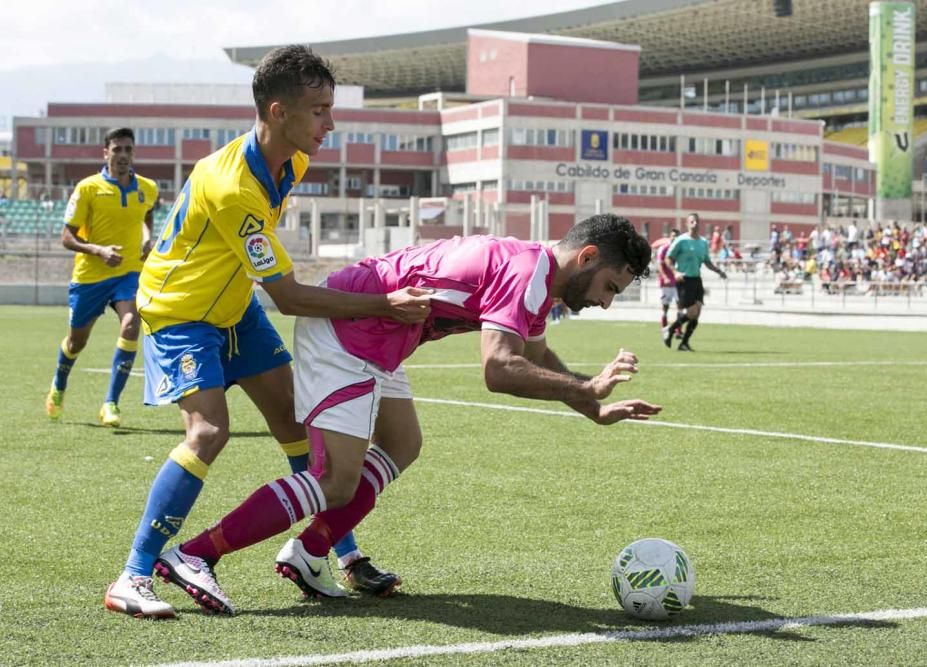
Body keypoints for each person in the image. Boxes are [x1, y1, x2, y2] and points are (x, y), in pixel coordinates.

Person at [151, 214, 661, 615]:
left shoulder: (536, 274)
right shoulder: (529, 272)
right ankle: (196, 553)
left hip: (384, 336)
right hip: (351, 329)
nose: (606, 303)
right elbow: (500, 369)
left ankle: (309, 553)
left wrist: (592, 404)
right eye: (610, 287)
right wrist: (587, 386)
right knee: (334, 481)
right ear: (588, 256)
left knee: (402, 444)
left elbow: (537, 355)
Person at [103, 45, 432, 619]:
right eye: (319, 110)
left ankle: (332, 553)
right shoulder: (233, 186)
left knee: (297, 425)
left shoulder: (294, 160)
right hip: (180, 312)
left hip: (234, 309)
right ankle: (133, 574)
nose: (331, 123)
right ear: (278, 112)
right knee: (208, 432)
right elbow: (287, 295)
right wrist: (385, 303)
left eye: (331, 108)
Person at [44, 128, 157, 427]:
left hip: (129, 272)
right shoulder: (87, 188)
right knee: (76, 342)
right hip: (90, 276)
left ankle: (111, 403)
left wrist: (148, 239)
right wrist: (97, 249)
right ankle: (59, 383)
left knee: (132, 324)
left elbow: (146, 215)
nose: (122, 155)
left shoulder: (147, 188)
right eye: (117, 149)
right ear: (105, 152)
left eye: (128, 150)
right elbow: (66, 237)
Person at [664, 213, 727, 351]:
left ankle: (684, 343)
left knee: (697, 314)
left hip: (697, 279)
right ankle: (670, 329)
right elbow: (668, 258)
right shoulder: (681, 240)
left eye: (697, 221)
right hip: (684, 279)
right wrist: (675, 272)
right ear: (687, 224)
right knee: (692, 312)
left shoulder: (703, 242)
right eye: (692, 221)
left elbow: (707, 261)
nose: (695, 223)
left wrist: (719, 271)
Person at [654, 228, 680, 346]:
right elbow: (659, 264)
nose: (674, 238)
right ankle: (665, 329)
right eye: (673, 235)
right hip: (666, 283)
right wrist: (664, 276)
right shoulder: (663, 248)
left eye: (676, 236)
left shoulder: (680, 249)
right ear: (670, 236)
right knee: (665, 308)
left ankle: (678, 331)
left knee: (681, 307)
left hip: (678, 283)